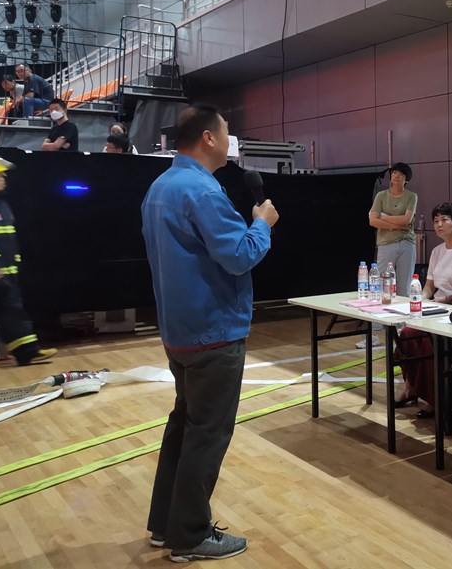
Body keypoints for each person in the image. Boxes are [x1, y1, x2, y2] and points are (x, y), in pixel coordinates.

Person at [141, 104, 278, 562]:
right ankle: (190, 535)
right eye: (227, 131)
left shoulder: (161, 187)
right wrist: (262, 224)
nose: (230, 139)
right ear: (208, 138)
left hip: (179, 332)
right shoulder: (202, 190)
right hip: (213, 332)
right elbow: (239, 256)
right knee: (207, 435)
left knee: (183, 426)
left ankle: (166, 524)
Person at [394, 202, 452, 424]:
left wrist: (443, 300)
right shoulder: (437, 251)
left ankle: (433, 398)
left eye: (444, 220)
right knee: (406, 334)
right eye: (436, 220)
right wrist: (421, 299)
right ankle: (411, 387)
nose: (439, 224)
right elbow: (429, 285)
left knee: (425, 340)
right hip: (436, 306)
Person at [0, 156, 57, 366]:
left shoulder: (2, 204)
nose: (3, 179)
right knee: (9, 311)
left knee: (10, 311)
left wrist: (14, 262)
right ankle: (27, 352)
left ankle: (27, 352)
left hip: (6, 273)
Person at [368, 162, 417, 281]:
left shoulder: (411, 196)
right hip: (386, 242)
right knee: (382, 281)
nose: (396, 176)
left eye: (401, 174)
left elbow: (406, 220)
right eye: (394, 172)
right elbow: (373, 221)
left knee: (405, 282)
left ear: (406, 179)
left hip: (406, 242)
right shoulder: (381, 195)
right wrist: (399, 226)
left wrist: (383, 217)